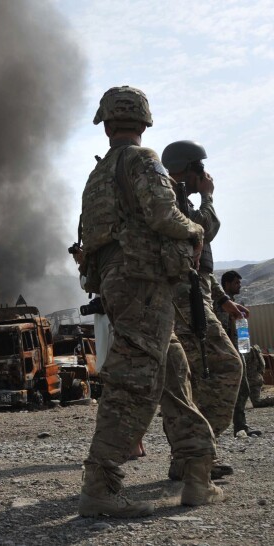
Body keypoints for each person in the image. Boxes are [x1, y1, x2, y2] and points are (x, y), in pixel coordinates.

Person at [75, 86, 222, 518]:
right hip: (144, 283)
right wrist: (194, 231)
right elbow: (163, 214)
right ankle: (100, 485)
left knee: (173, 372)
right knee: (133, 382)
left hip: (119, 287)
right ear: (144, 121)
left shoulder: (97, 175)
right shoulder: (142, 160)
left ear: (105, 123)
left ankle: (199, 472)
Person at [158, 141, 244, 479]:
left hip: (197, 293)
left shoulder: (178, 198)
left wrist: (223, 300)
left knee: (191, 380)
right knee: (224, 367)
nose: (205, 175)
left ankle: (193, 457)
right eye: (200, 169)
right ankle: (194, 455)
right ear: (190, 169)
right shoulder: (173, 197)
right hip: (184, 300)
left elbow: (201, 265)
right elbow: (205, 232)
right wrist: (209, 197)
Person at [217, 270, 272, 433]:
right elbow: (220, 328)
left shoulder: (232, 304)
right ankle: (232, 427)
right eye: (236, 283)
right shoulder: (220, 304)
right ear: (227, 284)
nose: (239, 285)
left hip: (235, 349)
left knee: (241, 388)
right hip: (225, 352)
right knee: (238, 389)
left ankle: (239, 426)